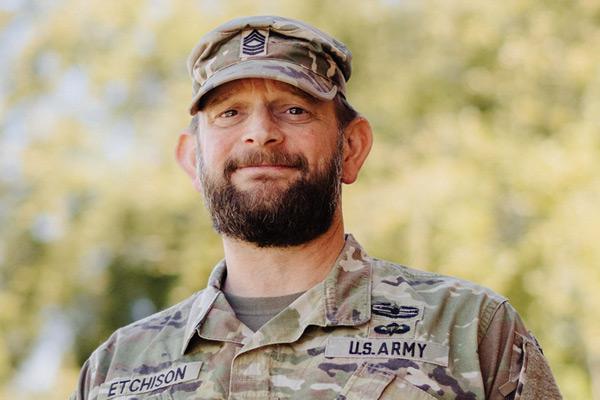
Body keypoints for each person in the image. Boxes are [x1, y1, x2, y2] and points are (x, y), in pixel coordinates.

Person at [72, 15, 562, 400]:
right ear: (192, 160)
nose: (260, 131)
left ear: (351, 147)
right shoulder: (116, 370)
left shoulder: (469, 330)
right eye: (229, 113)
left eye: (294, 109)